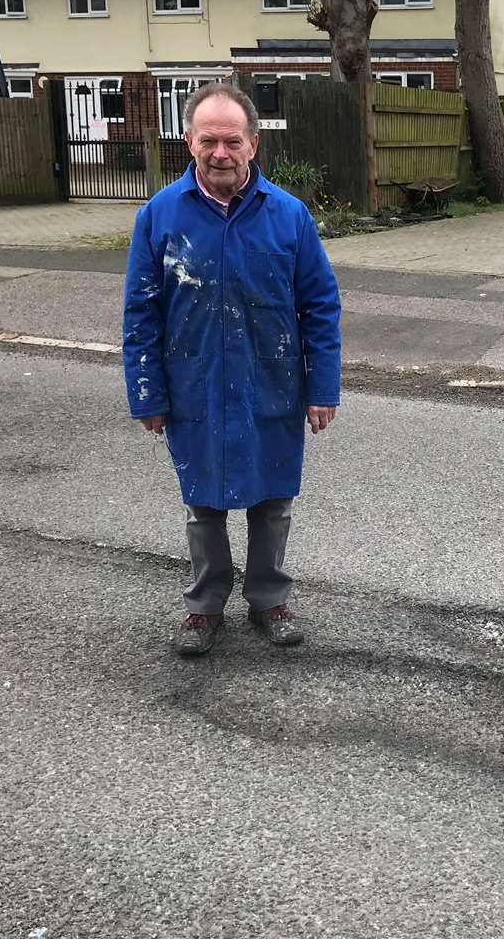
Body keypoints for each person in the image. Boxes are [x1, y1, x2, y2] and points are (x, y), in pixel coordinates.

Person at [122, 82, 341, 654]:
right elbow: (140, 312)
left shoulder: (289, 217)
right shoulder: (159, 216)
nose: (220, 152)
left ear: (253, 144)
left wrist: (323, 387)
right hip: (193, 383)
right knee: (204, 500)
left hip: (273, 382)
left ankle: (269, 598)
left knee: (272, 500)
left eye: (232, 141)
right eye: (209, 140)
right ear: (189, 142)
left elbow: (320, 306)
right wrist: (147, 394)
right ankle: (205, 605)